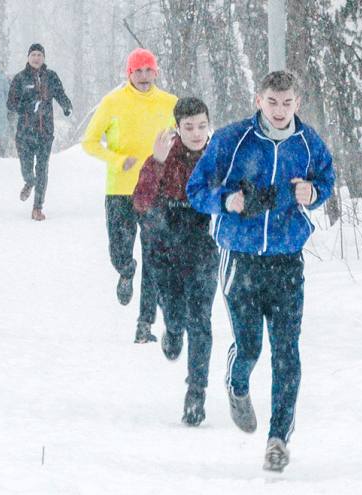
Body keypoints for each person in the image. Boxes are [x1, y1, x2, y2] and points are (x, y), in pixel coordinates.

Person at [186, 70, 335, 472]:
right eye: (272, 102)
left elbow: (327, 179)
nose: (280, 110)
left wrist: (314, 192)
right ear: (258, 100)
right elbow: (196, 190)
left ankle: (278, 440)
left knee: (287, 352)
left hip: (287, 259)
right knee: (250, 346)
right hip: (242, 257)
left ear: (297, 103)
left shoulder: (308, 143)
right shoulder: (232, 140)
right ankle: (237, 383)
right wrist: (227, 200)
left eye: (287, 103)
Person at [82, 48, 177, 344]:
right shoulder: (113, 102)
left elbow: (186, 140)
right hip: (121, 190)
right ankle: (125, 270)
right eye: (139, 71)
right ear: (129, 74)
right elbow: (89, 142)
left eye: (149, 70)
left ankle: (144, 324)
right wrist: (116, 159)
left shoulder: (171, 103)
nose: (145, 76)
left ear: (156, 72)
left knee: (154, 258)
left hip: (156, 193)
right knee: (120, 248)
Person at [133, 97, 217, 426]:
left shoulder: (217, 157)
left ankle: (196, 392)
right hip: (166, 247)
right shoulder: (165, 156)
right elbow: (140, 201)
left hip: (203, 246)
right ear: (178, 128)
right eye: (189, 127)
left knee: (201, 321)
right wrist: (155, 160)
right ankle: (171, 329)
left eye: (201, 126)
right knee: (177, 314)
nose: (196, 133)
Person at [7, 43, 72, 221]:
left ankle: (37, 207)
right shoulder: (20, 78)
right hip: (25, 133)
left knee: (42, 169)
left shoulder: (51, 76)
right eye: (33, 54)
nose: (36, 58)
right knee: (27, 168)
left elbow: (60, 94)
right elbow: (10, 104)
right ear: (28, 57)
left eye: (39, 55)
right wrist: (28, 105)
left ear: (44, 58)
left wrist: (67, 106)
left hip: (45, 132)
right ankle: (29, 181)